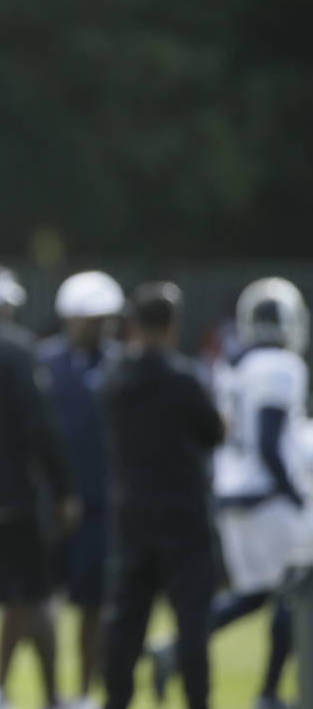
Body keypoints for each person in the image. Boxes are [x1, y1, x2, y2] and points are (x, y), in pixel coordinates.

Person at [153, 277, 311, 709]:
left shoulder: (233, 365)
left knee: (256, 594)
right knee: (295, 593)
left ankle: (174, 649)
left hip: (232, 493)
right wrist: (295, 493)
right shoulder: (282, 366)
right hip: (268, 497)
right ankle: (269, 692)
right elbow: (268, 439)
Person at [0, 258, 78, 709]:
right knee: (36, 597)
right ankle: (48, 696)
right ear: (4, 302)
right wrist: (64, 491)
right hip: (13, 502)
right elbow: (41, 428)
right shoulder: (19, 349)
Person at [97, 281, 223, 709]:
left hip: (131, 513)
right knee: (191, 619)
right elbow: (213, 433)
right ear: (172, 325)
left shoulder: (116, 379)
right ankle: (197, 699)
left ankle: (117, 699)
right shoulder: (184, 377)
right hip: (183, 513)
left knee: (125, 620)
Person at [36, 269, 124, 706]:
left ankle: (87, 692)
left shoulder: (121, 363)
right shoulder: (43, 361)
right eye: (88, 318)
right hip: (49, 503)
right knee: (39, 599)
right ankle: (51, 693)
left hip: (102, 502)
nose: (97, 326)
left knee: (95, 603)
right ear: (68, 318)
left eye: (104, 318)